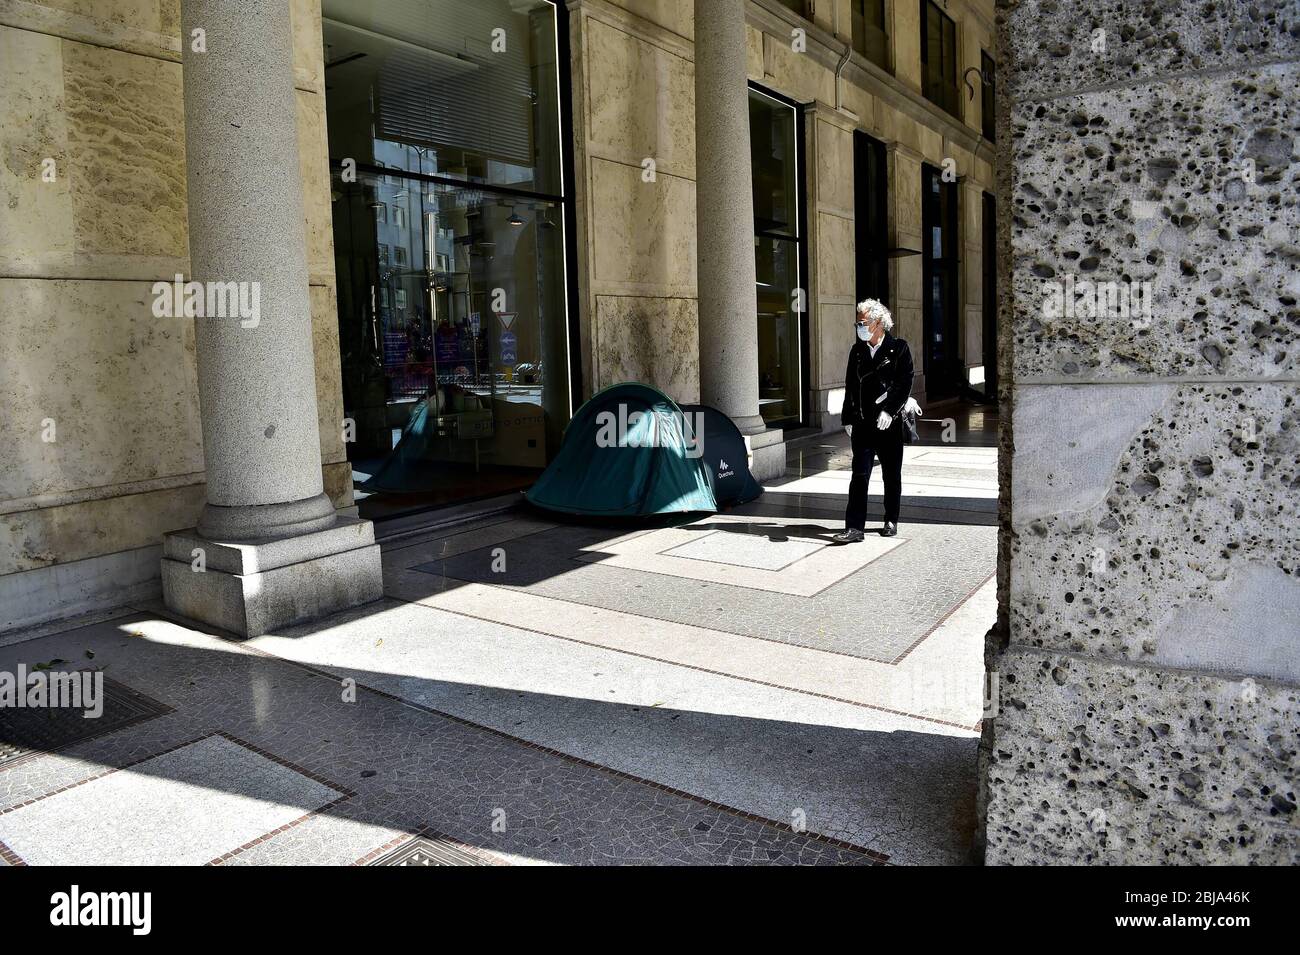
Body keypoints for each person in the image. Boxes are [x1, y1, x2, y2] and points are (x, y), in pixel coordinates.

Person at [832, 299, 914, 543]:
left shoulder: (899, 348)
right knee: (859, 475)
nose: (859, 326)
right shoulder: (857, 351)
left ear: (879, 323)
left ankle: (891, 519)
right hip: (863, 423)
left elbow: (904, 383)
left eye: (863, 322)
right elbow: (850, 386)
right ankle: (854, 527)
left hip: (888, 424)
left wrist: (889, 411)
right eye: (858, 322)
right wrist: (848, 417)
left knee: (891, 474)